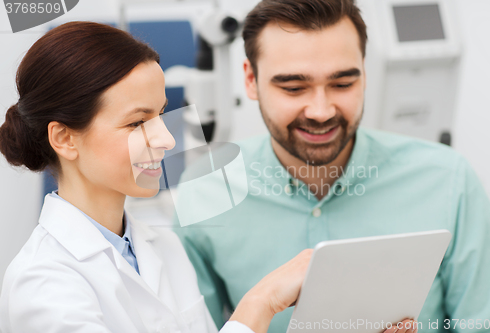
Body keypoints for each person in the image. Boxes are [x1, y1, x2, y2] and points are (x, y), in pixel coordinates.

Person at [173, 0, 490, 332]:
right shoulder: (205, 190)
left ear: (365, 73)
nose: (321, 110)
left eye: (343, 84)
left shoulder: (448, 181)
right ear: (251, 80)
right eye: (294, 87)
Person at [0, 21, 320, 333]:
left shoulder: (164, 245)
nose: (167, 139)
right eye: (137, 122)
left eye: (161, 113)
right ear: (65, 139)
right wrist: (260, 304)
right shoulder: (42, 283)